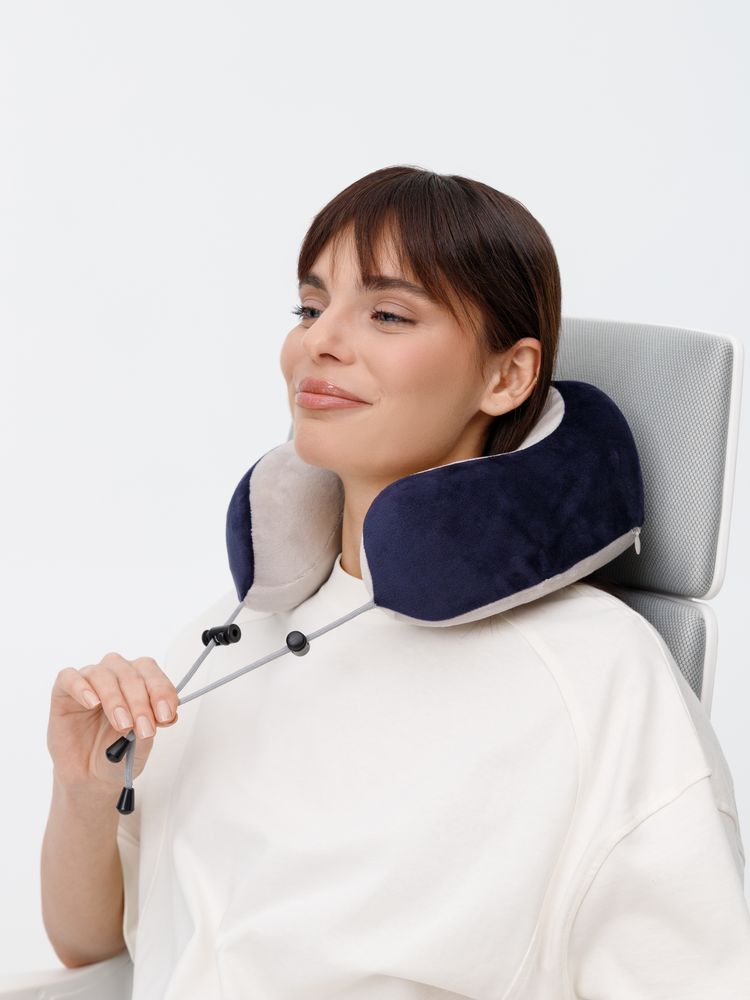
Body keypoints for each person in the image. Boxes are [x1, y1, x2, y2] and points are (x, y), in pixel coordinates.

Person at [41, 165, 750, 998]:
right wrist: (84, 791)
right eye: (310, 308)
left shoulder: (597, 673)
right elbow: (95, 951)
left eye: (388, 314)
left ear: (507, 377)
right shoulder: (225, 639)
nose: (319, 342)